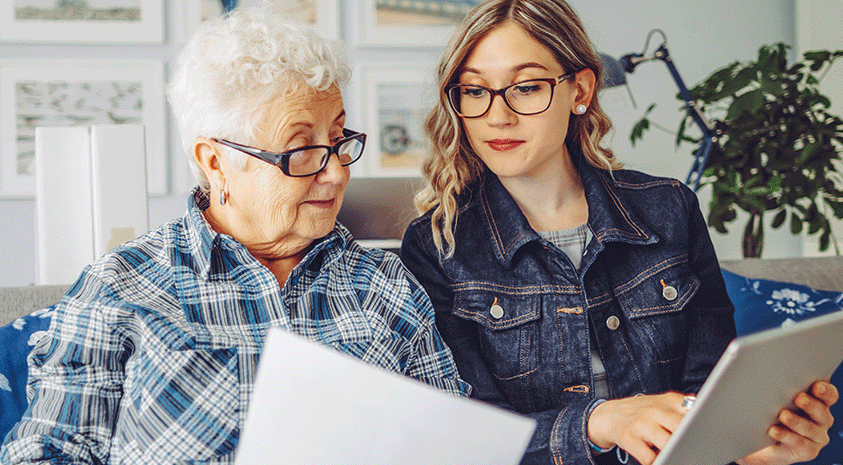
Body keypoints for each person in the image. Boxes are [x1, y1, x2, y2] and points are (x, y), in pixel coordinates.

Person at [0, 5, 468, 464]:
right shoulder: (119, 287)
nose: (335, 175)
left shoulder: (385, 284)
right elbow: (48, 453)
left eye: (339, 140)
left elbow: (457, 441)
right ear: (215, 161)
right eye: (301, 149)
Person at [399, 1, 837, 464]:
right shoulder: (435, 246)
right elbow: (470, 434)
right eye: (474, 91)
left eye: (526, 87)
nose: (497, 115)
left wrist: (757, 449)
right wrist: (602, 421)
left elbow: (706, 397)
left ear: (580, 90)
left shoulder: (670, 207)